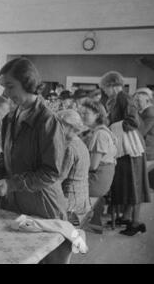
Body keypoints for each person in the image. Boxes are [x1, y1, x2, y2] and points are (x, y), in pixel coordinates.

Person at [0, 57, 68, 262]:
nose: (5, 93)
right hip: (15, 203)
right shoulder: (11, 117)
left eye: (10, 86)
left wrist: (12, 183)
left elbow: (51, 172)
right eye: (3, 87)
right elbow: (6, 154)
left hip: (42, 205)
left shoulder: (47, 121)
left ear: (28, 83)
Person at [101, 71, 150, 236]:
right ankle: (127, 217)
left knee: (134, 186)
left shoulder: (123, 98)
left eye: (105, 88)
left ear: (112, 85)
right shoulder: (118, 99)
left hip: (131, 149)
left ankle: (135, 223)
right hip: (127, 148)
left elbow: (132, 122)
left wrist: (112, 126)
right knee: (129, 186)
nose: (105, 91)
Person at [80, 99, 117, 230]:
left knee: (62, 185)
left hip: (98, 181)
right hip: (102, 177)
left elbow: (93, 166)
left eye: (86, 113)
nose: (82, 116)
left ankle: (75, 223)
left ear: (97, 115)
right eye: (81, 113)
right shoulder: (99, 131)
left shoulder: (100, 134)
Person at [57, 109, 91, 226]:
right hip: (83, 197)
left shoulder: (70, 147)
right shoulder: (79, 142)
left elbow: (60, 177)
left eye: (59, 125)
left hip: (72, 201)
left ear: (70, 127)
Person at [133, 88, 154, 188]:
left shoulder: (150, 113)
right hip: (145, 149)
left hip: (148, 151)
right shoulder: (145, 111)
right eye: (135, 100)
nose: (136, 103)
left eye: (138, 100)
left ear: (147, 101)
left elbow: (141, 132)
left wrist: (135, 112)